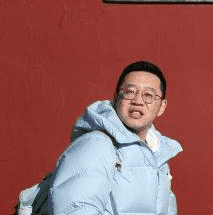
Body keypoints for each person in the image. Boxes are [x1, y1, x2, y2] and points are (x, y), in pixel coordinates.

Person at [49, 61, 182, 215]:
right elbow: (74, 209)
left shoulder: (157, 156)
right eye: (129, 92)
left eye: (148, 95)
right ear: (116, 97)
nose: (137, 101)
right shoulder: (96, 145)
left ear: (162, 107)